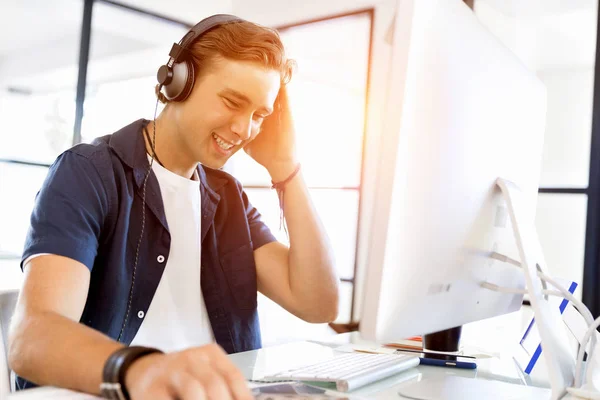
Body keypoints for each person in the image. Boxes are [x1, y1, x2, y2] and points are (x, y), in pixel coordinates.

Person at [8, 14, 339, 400]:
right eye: (233, 102)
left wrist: (285, 167)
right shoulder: (89, 173)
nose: (244, 129)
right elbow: (32, 337)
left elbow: (318, 303)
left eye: (259, 115)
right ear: (179, 81)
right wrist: (140, 367)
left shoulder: (227, 196)